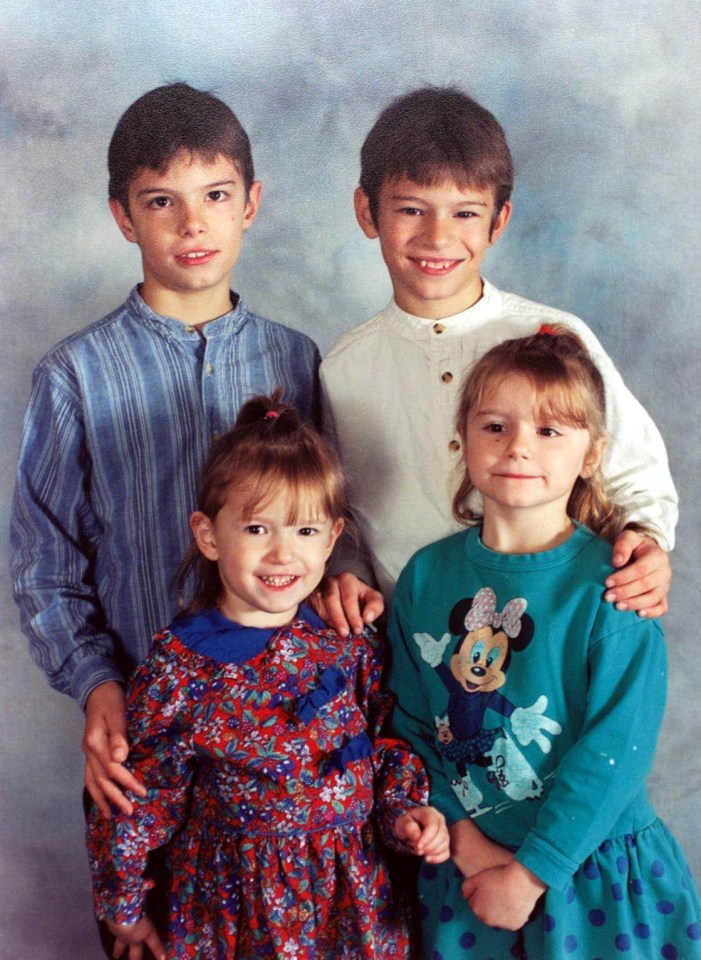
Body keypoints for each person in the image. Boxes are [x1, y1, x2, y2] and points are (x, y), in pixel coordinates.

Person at [10, 82, 381, 831]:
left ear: (250, 202)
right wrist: (97, 684)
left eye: (214, 194)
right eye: (159, 202)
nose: (191, 223)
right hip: (149, 742)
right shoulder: (74, 376)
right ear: (122, 216)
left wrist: (344, 575)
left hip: (289, 753)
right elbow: (43, 567)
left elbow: (333, 513)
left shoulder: (297, 359)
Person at [86, 392, 450, 960]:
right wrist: (124, 907)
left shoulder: (347, 643)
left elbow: (383, 747)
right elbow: (141, 801)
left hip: (353, 900)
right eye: (258, 529)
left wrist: (405, 812)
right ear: (208, 535)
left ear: (332, 538)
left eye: (305, 532)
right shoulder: (179, 667)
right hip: (235, 908)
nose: (283, 554)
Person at [387, 326, 701, 959]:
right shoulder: (425, 576)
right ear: (465, 438)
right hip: (468, 873)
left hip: (591, 875)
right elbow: (413, 725)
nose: (518, 448)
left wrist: (531, 875)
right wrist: (472, 852)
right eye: (496, 426)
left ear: (591, 454)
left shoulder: (613, 586)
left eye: (550, 431)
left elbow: (617, 749)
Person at [320, 85, 675, 621]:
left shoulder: (553, 337)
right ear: (367, 212)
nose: (438, 236)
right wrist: (347, 574)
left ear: (498, 221)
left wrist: (645, 542)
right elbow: (341, 517)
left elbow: (636, 474)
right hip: (413, 647)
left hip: (553, 633)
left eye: (465, 213)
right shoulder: (343, 370)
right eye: (412, 209)